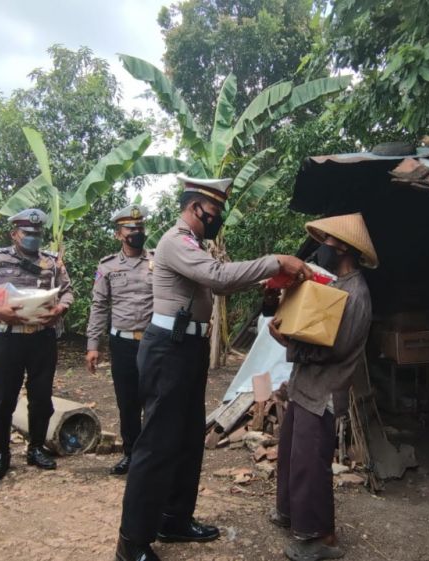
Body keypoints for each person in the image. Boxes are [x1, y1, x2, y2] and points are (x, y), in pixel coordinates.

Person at [115, 175, 313, 561]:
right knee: (156, 444)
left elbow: (219, 286)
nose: (216, 218)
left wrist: (268, 284)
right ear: (194, 208)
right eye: (214, 212)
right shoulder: (175, 241)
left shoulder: (197, 245)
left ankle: (173, 519)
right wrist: (275, 260)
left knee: (188, 439)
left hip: (188, 348)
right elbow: (218, 277)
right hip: (166, 349)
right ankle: (131, 541)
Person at [268, 213, 377, 561]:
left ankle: (318, 538)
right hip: (306, 387)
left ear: (343, 247)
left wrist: (287, 340)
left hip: (325, 392)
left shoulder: (357, 293)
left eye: (326, 243)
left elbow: (337, 347)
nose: (321, 249)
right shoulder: (334, 286)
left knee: (312, 466)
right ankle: (291, 515)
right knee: (291, 457)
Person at [0, 209, 73, 483]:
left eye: (37, 234)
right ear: (14, 234)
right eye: (27, 234)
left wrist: (60, 309)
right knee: (1, 398)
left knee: (41, 397)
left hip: (42, 337)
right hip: (9, 337)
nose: (33, 238)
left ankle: (36, 448)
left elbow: (68, 290)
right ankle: (0, 453)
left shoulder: (52, 262)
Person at [86, 203, 153, 476]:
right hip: (122, 343)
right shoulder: (107, 267)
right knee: (127, 402)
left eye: (140, 228)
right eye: (130, 229)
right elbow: (99, 305)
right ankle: (131, 453)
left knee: (153, 400)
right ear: (118, 234)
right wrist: (93, 345)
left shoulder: (158, 261)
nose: (136, 232)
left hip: (153, 342)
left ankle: (151, 455)